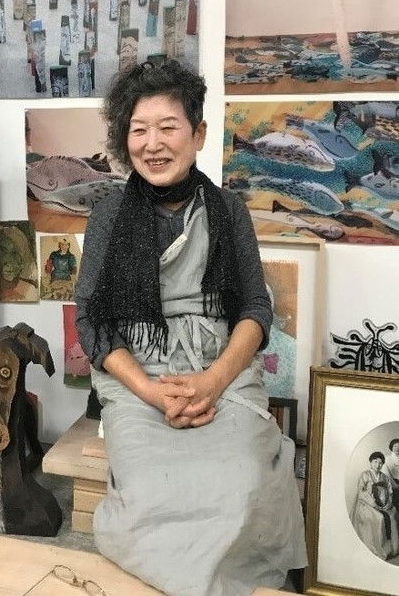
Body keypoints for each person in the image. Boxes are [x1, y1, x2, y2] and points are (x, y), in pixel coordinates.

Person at [75, 60, 307, 596]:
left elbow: (255, 309)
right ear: (124, 138)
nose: (152, 144)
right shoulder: (109, 214)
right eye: (139, 129)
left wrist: (212, 382)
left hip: (218, 368)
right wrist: (151, 392)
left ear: (198, 134)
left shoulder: (228, 209)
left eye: (168, 127)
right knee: (150, 492)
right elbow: (92, 320)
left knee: (245, 482)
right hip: (139, 374)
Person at [351, 451, 399, 561]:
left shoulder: (384, 477)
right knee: (379, 518)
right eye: (375, 462)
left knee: (393, 514)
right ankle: (380, 549)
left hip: (383, 503)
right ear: (370, 462)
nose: (378, 465)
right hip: (367, 504)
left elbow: (390, 492)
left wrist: (388, 503)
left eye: (380, 463)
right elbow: (361, 492)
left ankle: (394, 548)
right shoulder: (365, 475)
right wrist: (374, 503)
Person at [0, 225, 38, 302]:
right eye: (3, 251)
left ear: (22, 260)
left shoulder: (30, 290)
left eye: (14, 253)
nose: (8, 260)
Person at [382, 438, 399, 513]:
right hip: (393, 483)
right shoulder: (387, 458)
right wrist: (394, 485)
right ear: (391, 447)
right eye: (395, 446)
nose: (397, 448)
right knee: (396, 504)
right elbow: (386, 474)